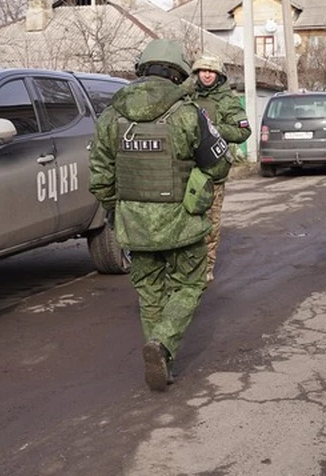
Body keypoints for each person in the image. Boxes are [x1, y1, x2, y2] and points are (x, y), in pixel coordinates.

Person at [89, 39, 231, 391]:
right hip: (183, 223)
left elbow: (100, 179)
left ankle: (160, 359)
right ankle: (163, 344)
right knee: (191, 284)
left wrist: (118, 209)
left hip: (135, 226)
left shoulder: (110, 116)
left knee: (150, 293)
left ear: (141, 71)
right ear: (177, 74)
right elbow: (220, 163)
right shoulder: (188, 113)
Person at [183, 54, 252, 283]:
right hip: (186, 171)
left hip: (213, 172)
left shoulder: (227, 100)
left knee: (210, 224)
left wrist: (213, 129)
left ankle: (206, 268)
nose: (207, 74)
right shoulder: (186, 96)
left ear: (219, 75)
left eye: (211, 71)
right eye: (203, 71)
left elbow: (243, 131)